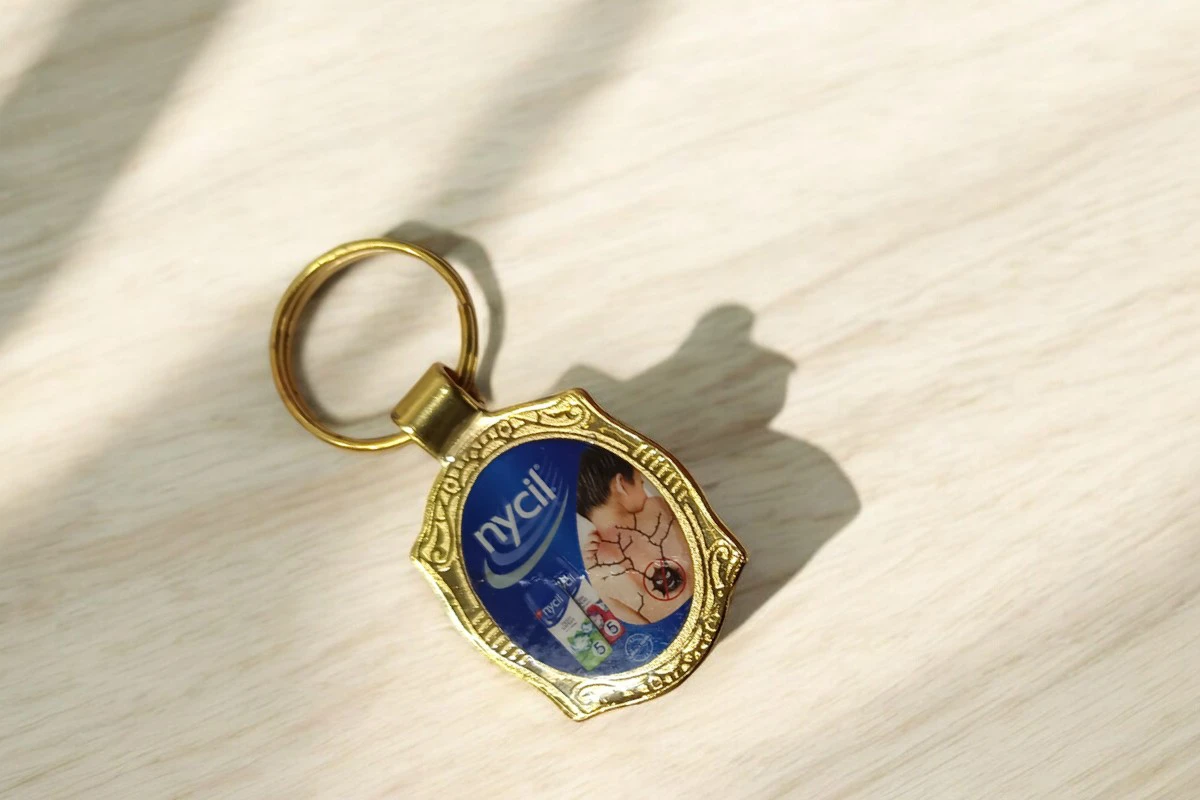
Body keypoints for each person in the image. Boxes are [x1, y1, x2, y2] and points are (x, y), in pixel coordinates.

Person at [576, 445, 693, 624]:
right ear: (621, 484)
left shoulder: (597, 575)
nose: (644, 493)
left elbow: (641, 627)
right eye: (641, 483)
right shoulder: (658, 508)